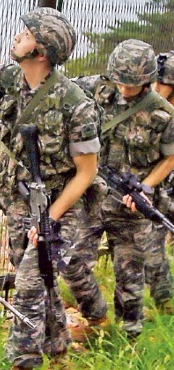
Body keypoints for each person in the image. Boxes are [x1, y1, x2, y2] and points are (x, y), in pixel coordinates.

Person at [0, 7, 100, 370]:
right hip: (16, 200)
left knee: (29, 285)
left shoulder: (75, 103)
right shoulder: (9, 77)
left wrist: (49, 217)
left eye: (25, 33)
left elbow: (86, 172)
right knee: (42, 281)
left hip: (58, 206)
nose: (16, 37)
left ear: (41, 51)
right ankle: (60, 352)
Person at [63, 39, 174, 343]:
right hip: (90, 198)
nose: (125, 89)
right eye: (121, 82)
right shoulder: (95, 88)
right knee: (71, 262)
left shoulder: (162, 113)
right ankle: (97, 316)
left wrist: (147, 186)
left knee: (130, 279)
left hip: (130, 208)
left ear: (149, 80)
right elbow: (56, 86)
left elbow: (171, 156)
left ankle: (129, 339)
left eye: (133, 84)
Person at [143, 51, 174, 314]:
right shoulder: (152, 110)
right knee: (151, 251)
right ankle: (166, 306)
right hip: (158, 192)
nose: (156, 88)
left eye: (162, 83)